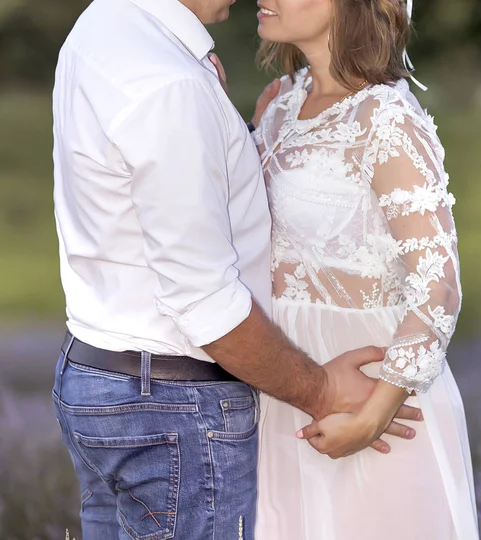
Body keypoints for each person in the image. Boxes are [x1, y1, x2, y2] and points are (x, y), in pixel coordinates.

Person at [50, 0, 422, 538]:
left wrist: (235, 130)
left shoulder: (106, 22)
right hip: (172, 411)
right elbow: (203, 301)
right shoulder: (173, 86)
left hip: (97, 375)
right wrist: (322, 392)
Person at [250, 0, 480, 537]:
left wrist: (375, 413)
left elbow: (439, 285)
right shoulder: (280, 106)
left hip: (373, 401)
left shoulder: (386, 118)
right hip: (283, 385)